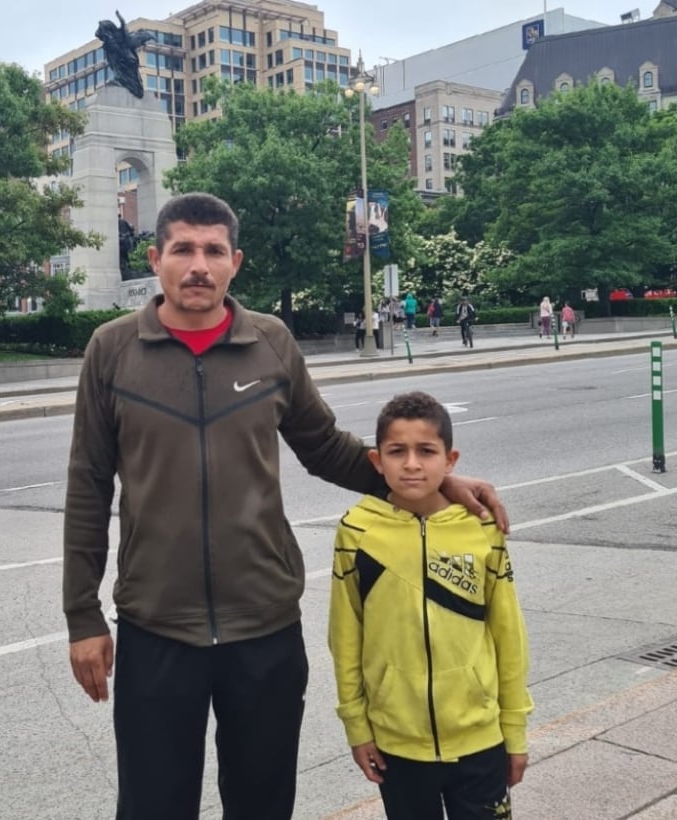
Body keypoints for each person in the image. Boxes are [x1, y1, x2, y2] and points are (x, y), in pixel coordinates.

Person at [63, 192, 510, 820]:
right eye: (183, 249)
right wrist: (82, 615)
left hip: (264, 628)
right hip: (156, 626)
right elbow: (88, 484)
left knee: (263, 803)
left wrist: (435, 490)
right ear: (156, 257)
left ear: (235, 261)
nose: (199, 265)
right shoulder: (112, 350)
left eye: (213, 251)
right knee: (153, 806)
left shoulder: (270, 342)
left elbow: (325, 447)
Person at [329, 391, 533, 820]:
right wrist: (357, 725)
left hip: (479, 738)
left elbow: (508, 635)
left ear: (451, 460)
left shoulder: (482, 530)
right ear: (376, 461)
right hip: (396, 743)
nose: (412, 464)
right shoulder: (356, 532)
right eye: (396, 452)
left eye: (426, 451)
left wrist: (513, 731)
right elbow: (345, 636)